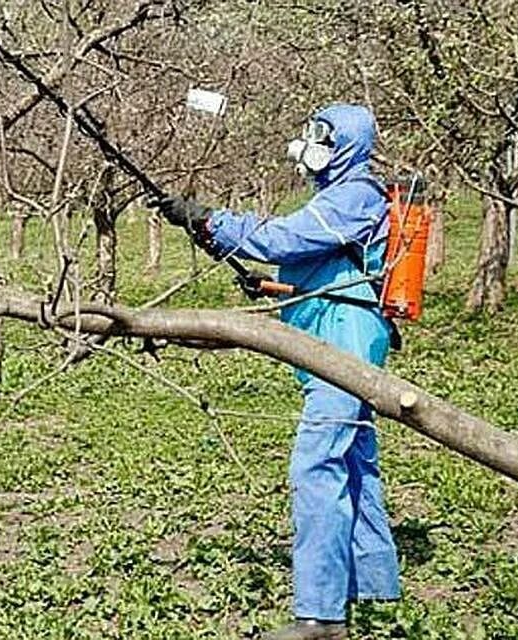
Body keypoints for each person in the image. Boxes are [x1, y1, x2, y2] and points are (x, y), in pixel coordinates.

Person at [150, 104, 400, 640]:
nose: (311, 146)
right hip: (335, 334)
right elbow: (326, 269)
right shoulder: (339, 197)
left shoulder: (355, 195)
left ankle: (320, 617)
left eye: (323, 138)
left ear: (349, 144)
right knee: (354, 462)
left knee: (317, 466)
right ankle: (371, 585)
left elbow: (287, 239)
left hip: (344, 344)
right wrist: (267, 283)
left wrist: (212, 220)